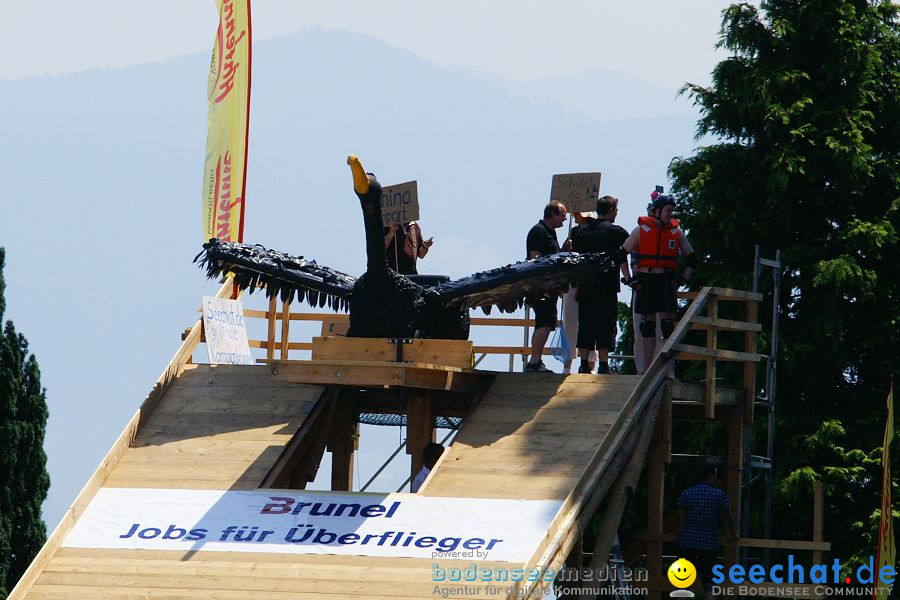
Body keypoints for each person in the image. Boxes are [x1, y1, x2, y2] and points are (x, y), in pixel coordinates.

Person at [620, 194, 697, 372]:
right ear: (656, 211)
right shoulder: (640, 230)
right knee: (647, 327)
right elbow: (620, 254)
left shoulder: (676, 232)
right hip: (646, 282)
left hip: (665, 281)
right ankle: (646, 370)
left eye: (672, 211)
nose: (670, 214)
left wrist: (682, 279)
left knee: (667, 326)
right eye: (667, 210)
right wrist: (628, 279)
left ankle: (667, 370)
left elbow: (692, 259)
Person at [572, 196, 629, 374]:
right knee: (606, 323)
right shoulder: (616, 232)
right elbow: (624, 255)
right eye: (616, 211)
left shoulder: (582, 232)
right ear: (611, 210)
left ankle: (583, 364)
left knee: (586, 323)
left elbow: (576, 260)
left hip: (586, 284)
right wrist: (628, 276)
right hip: (607, 285)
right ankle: (603, 366)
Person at [675, 465, 738, 600]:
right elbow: (729, 516)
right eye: (715, 474)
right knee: (709, 582)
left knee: (683, 583)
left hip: (687, 542)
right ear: (710, 475)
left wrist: (680, 536)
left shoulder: (686, 493)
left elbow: (679, 521)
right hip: (709, 543)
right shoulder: (719, 495)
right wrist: (733, 534)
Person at [524, 200, 567, 373]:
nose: (564, 219)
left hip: (550, 286)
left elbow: (552, 256)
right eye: (562, 215)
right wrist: (543, 286)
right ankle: (534, 361)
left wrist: (563, 250)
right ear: (553, 214)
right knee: (545, 322)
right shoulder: (538, 231)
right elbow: (534, 258)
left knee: (547, 322)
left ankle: (536, 360)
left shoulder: (550, 233)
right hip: (542, 286)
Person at [561, 211, 598, 374]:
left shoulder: (597, 232)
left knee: (591, 322)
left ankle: (591, 361)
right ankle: (567, 364)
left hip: (590, 283)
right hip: (573, 282)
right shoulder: (574, 233)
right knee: (569, 322)